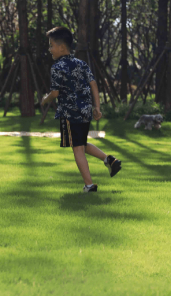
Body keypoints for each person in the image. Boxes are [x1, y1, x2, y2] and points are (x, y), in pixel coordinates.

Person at [40, 27, 122, 193]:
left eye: (51, 45)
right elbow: (94, 84)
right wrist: (97, 107)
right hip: (85, 111)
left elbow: (55, 93)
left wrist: (44, 99)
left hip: (70, 114)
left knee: (77, 148)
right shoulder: (81, 64)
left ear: (61, 47)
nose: (49, 49)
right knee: (81, 143)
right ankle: (109, 160)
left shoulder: (57, 67)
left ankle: (89, 185)